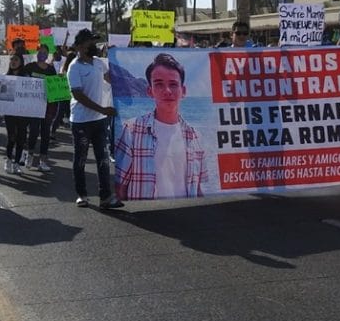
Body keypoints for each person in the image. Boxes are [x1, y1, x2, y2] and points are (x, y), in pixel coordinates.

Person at [114, 52, 206, 200]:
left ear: (183, 91)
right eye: (159, 84)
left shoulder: (195, 136)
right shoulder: (132, 131)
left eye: (173, 84)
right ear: (150, 91)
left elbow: (198, 188)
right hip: (148, 218)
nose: (167, 91)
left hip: (187, 217)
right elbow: (120, 187)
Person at [67, 29, 123, 209]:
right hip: (82, 121)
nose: (94, 45)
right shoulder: (74, 67)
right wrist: (102, 109)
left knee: (103, 159)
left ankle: (105, 197)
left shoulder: (99, 63)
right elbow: (78, 95)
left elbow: (111, 79)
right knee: (81, 159)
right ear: (81, 45)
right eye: (91, 42)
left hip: (100, 120)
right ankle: (81, 195)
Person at [21, 43, 56, 171]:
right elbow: (22, 81)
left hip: (47, 105)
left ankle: (43, 160)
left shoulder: (51, 69)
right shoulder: (29, 67)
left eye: (45, 52)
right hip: (33, 106)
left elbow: (55, 87)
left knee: (46, 133)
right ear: (36, 53)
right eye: (40, 52)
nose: (42, 54)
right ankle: (30, 155)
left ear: (48, 54)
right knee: (34, 131)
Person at [2, 54, 29, 174]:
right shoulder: (6, 77)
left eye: (16, 59)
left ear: (21, 62)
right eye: (11, 59)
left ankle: (16, 163)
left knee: (21, 138)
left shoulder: (26, 77)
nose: (13, 61)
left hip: (23, 112)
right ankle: (8, 159)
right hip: (10, 112)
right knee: (11, 137)